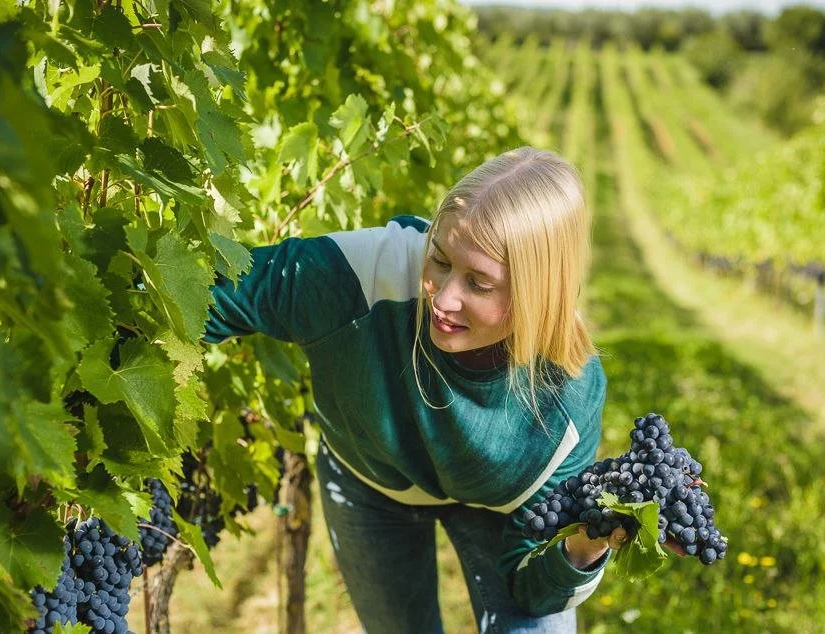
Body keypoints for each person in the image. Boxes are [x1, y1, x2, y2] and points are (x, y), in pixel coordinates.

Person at [203, 146, 628, 633]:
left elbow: (531, 591)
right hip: (373, 480)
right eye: (440, 260)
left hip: (499, 507)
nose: (444, 297)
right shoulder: (363, 275)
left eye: (479, 283)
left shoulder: (567, 397)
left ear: (537, 291)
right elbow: (209, 291)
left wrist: (583, 547)